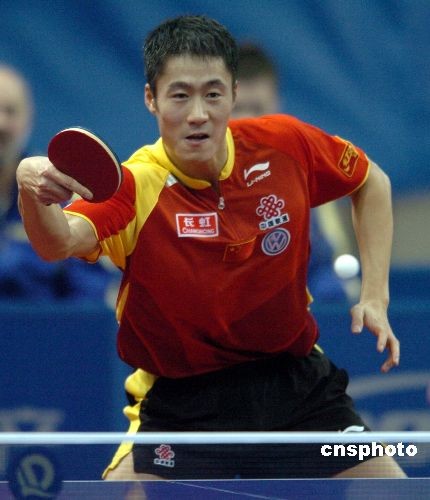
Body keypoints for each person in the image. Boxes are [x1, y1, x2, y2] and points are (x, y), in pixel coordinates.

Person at [16, 15, 403, 479]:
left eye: (213, 94)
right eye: (180, 95)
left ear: (234, 95)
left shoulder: (285, 145)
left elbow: (370, 181)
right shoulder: (135, 186)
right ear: (151, 99)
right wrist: (29, 189)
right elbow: (57, 242)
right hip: (182, 403)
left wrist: (375, 295)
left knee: (390, 488)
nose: (198, 113)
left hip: (294, 386)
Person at [233, 43, 354, 302]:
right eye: (236, 108)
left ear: (276, 105)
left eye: (257, 108)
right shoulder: (186, 176)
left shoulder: (308, 173)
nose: (245, 121)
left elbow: (333, 267)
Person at [0, 64, 116, 302]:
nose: (1, 123)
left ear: (28, 120)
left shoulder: (59, 194)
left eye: (10, 111)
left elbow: (90, 292)